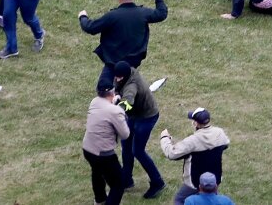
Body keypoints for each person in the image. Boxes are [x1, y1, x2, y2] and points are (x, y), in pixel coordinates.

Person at [78, 0, 168, 83]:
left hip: (113, 64)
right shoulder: (142, 13)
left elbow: (90, 28)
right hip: (133, 63)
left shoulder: (112, 16)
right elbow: (161, 14)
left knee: (105, 89)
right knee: (127, 91)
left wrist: (82, 17)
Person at [112, 61, 166, 199]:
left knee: (138, 151)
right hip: (135, 115)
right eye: (116, 77)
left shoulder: (131, 86)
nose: (117, 80)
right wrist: (117, 94)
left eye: (119, 78)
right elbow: (118, 87)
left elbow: (128, 103)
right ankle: (126, 180)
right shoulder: (125, 73)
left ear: (124, 76)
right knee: (126, 145)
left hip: (147, 117)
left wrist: (117, 107)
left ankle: (157, 182)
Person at [160, 108, 230, 205]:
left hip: (194, 182)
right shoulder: (219, 132)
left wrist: (165, 138)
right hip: (214, 180)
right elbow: (226, 144)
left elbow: (171, 154)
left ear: (196, 124)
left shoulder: (192, 141)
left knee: (179, 200)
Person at [83, 78, 130, 205]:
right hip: (103, 154)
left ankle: (100, 200)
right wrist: (122, 114)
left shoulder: (94, 102)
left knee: (96, 172)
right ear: (112, 93)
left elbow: (105, 110)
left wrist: (113, 103)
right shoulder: (115, 111)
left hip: (88, 149)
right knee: (118, 184)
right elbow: (125, 134)